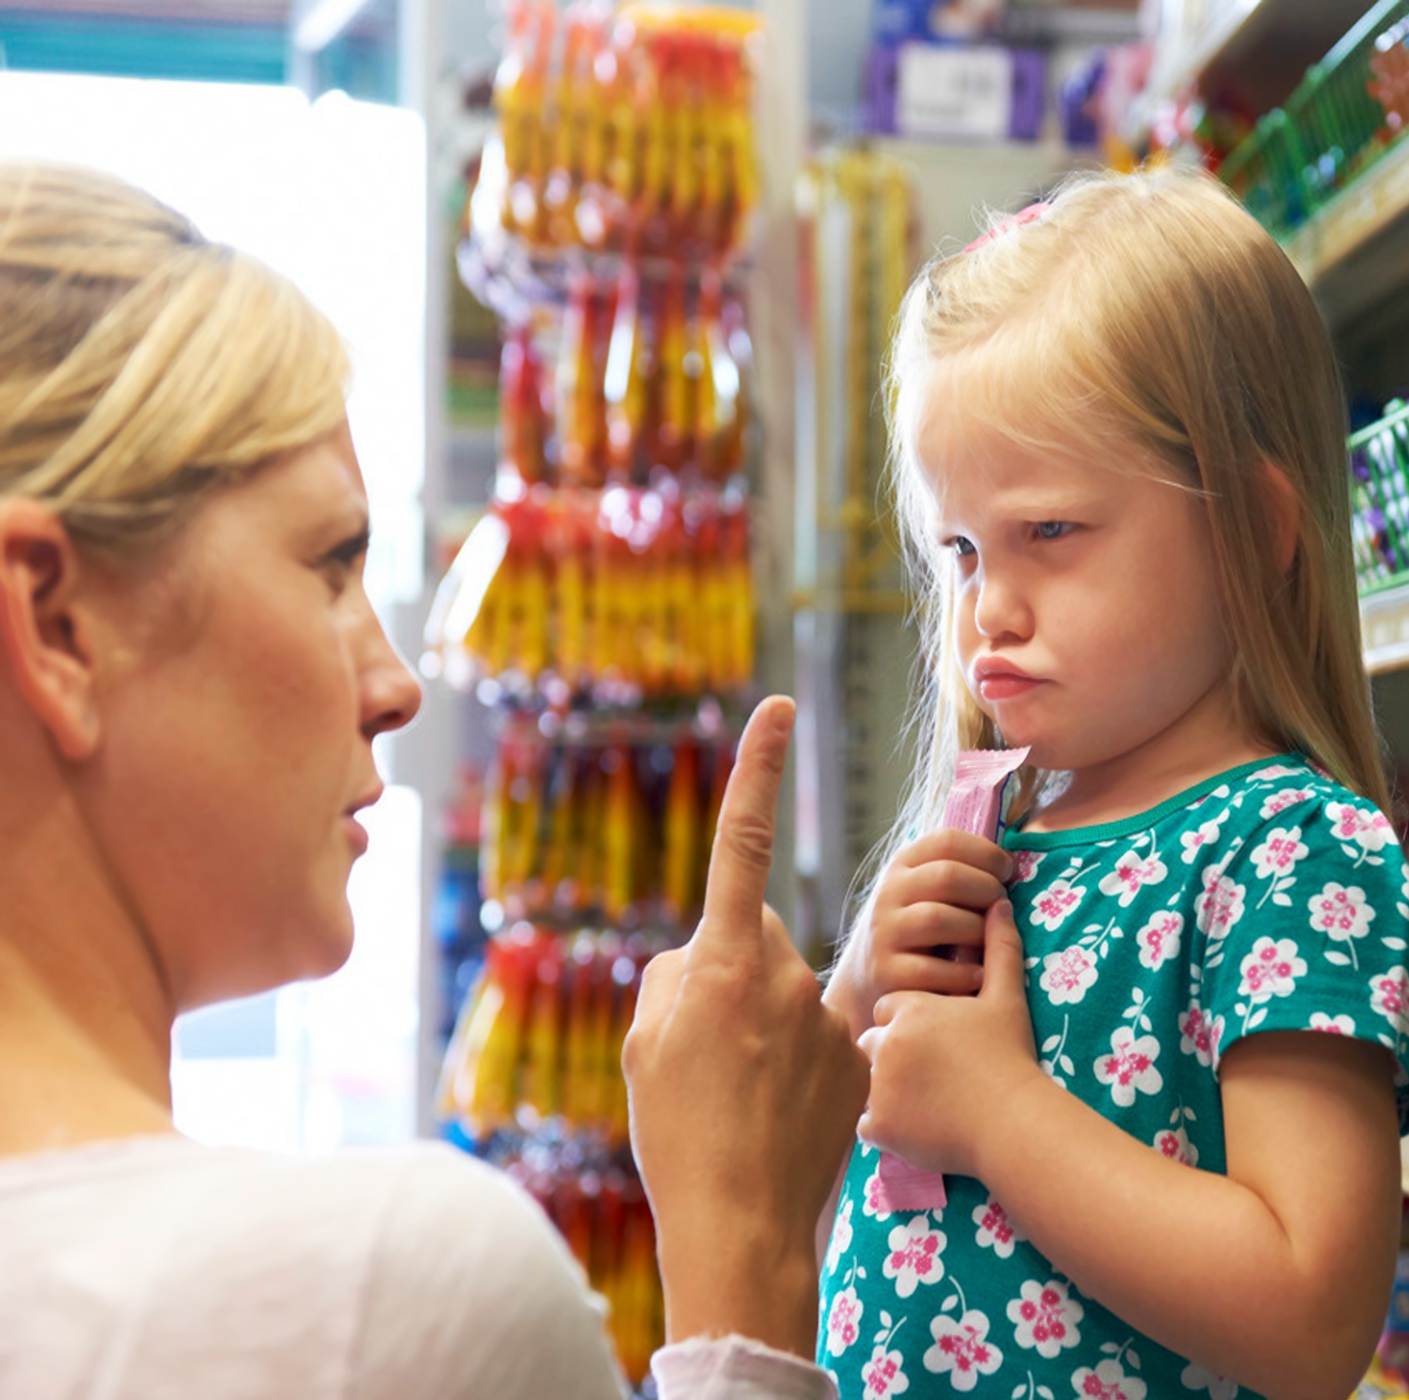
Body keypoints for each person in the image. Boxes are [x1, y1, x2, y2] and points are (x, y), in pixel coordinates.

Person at [0, 161, 863, 1400]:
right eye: (329, 561)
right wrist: (749, 1266)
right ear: (56, 622)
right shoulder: (375, 1292)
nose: (398, 683)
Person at [820, 167, 1409, 1400]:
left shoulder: (1288, 849)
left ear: (1253, 531)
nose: (989, 605)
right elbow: (820, 1157)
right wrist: (852, 997)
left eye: (1050, 532)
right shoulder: (1003, 835)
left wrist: (994, 1111)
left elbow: (1311, 1311)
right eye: (960, 548)